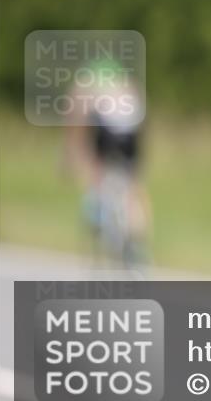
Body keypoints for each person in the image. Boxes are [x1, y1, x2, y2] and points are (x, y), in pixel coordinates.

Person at [64, 57, 151, 268]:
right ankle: (138, 245)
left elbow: (76, 122)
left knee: (96, 168)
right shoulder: (125, 81)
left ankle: (97, 213)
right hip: (131, 132)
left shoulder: (84, 83)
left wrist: (71, 157)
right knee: (134, 188)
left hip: (106, 131)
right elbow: (141, 115)